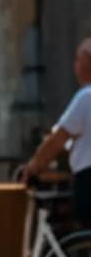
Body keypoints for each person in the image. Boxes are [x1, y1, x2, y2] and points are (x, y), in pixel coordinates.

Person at [19, 37, 91, 224]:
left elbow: (57, 140)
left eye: (77, 59)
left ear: (88, 61)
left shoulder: (85, 97)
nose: (74, 65)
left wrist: (33, 167)